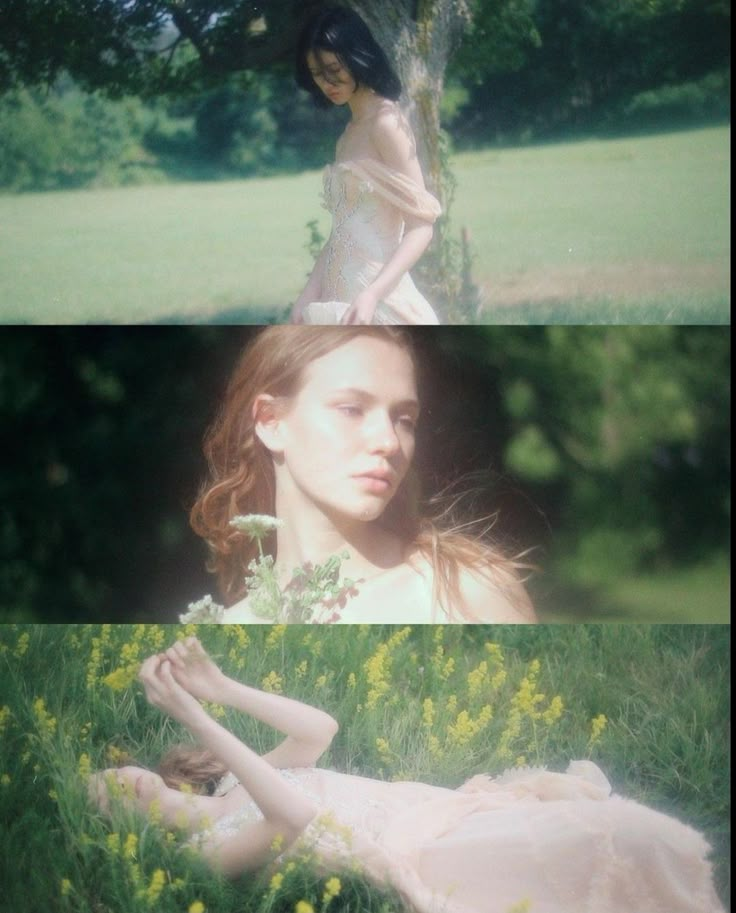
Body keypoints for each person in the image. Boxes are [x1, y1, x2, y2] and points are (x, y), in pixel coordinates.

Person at [89, 638, 726, 913]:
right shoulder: (204, 856)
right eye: (106, 799)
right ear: (125, 833)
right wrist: (197, 719)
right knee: (615, 848)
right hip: (422, 853)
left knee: (626, 833)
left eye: (114, 772)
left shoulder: (232, 786)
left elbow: (320, 730)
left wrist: (220, 688)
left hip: (438, 808)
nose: (121, 781)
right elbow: (292, 819)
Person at [189, 326, 535, 623]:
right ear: (270, 421)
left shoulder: (467, 593)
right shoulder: (230, 627)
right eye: (351, 409)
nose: (388, 441)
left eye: (404, 420)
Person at [290, 6, 442, 326]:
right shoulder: (347, 135)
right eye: (317, 74)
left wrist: (372, 294)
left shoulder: (386, 123)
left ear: (358, 56)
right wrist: (308, 294)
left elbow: (421, 227)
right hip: (339, 296)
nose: (327, 82)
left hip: (377, 296)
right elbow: (341, 232)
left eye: (334, 68)